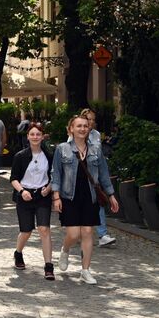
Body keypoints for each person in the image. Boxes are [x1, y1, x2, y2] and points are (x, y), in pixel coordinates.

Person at [51, 115, 120, 284]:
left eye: (85, 126)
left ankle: (85, 270)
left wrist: (111, 195)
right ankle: (65, 250)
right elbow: (56, 173)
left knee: (88, 232)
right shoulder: (63, 149)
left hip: (90, 196)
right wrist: (56, 196)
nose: (82, 129)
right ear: (71, 129)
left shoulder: (96, 150)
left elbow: (103, 174)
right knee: (74, 234)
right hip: (69, 196)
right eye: (79, 126)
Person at [10, 122, 55, 280]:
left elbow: (54, 176)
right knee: (26, 231)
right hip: (25, 196)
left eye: (38, 134)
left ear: (43, 137)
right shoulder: (20, 156)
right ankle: (18, 253)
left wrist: (49, 188)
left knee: (44, 229)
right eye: (32, 134)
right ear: (28, 137)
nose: (35, 137)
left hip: (42, 196)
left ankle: (49, 266)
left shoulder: (49, 156)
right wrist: (22, 191)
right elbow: (13, 179)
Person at [78, 108, 117, 247]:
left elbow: (98, 155)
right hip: (79, 175)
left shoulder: (96, 134)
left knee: (98, 202)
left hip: (94, 175)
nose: (91, 122)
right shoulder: (75, 134)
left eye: (93, 119)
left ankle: (102, 235)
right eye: (89, 119)